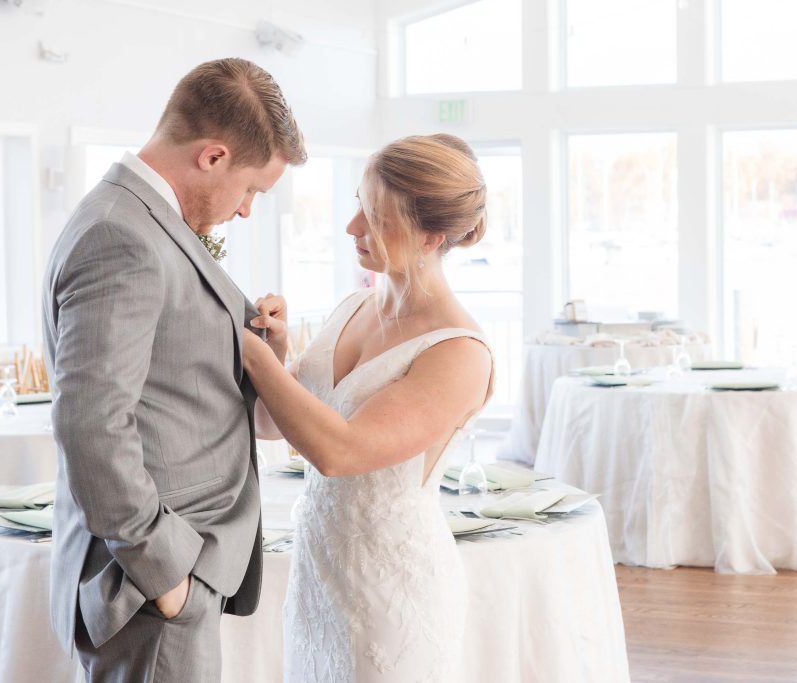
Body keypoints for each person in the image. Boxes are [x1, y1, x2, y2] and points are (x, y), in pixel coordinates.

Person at [42, 57, 306, 682]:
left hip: (170, 572)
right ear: (213, 156)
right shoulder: (120, 234)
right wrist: (165, 576)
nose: (246, 212)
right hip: (147, 585)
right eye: (251, 190)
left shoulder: (145, 221)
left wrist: (261, 347)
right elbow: (91, 425)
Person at [241, 133, 495, 682]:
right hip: (320, 570)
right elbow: (270, 425)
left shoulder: (458, 352)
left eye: (376, 217)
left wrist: (253, 359)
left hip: (394, 586)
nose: (354, 227)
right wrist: (275, 352)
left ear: (432, 236)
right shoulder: (352, 306)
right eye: (359, 204)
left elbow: (339, 452)